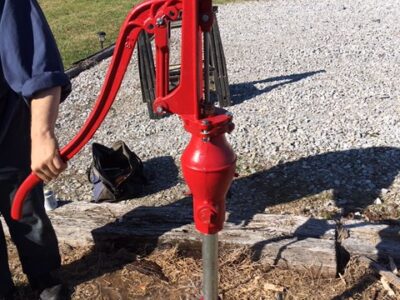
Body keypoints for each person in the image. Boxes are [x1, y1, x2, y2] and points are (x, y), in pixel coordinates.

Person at [0, 0, 71, 299]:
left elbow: (38, 65)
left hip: (5, 132)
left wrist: (41, 134)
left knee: (24, 207)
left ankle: (44, 276)